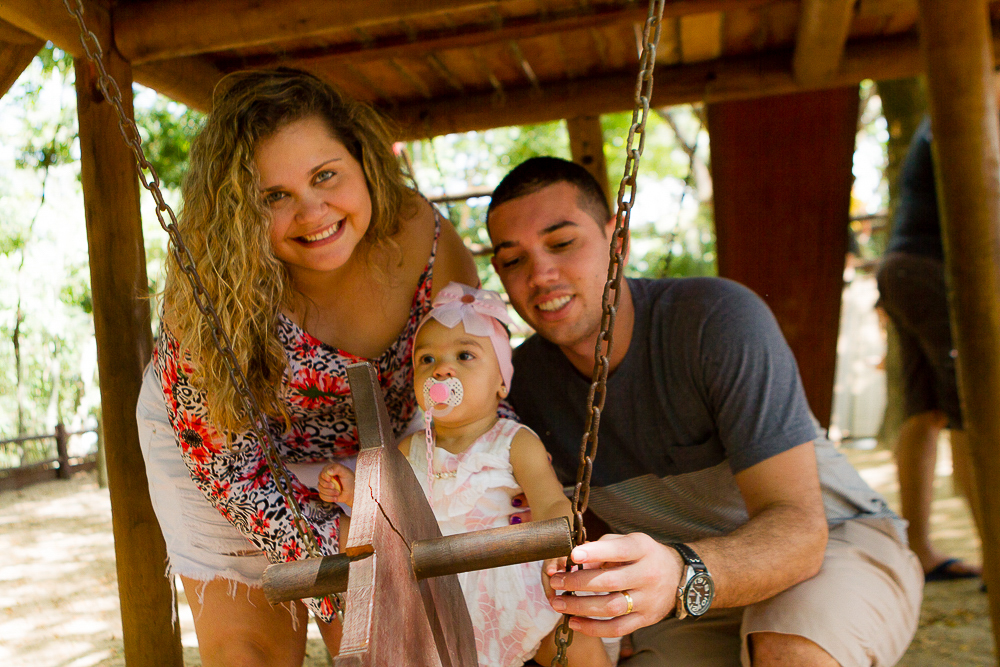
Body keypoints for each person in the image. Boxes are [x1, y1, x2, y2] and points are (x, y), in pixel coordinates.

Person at [486, 157, 924, 667]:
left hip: (831, 544)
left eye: (562, 243)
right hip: (690, 582)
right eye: (513, 261)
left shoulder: (715, 320)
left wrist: (678, 573)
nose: (540, 274)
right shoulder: (520, 386)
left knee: (790, 654)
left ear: (617, 239)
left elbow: (802, 532)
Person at [135, 69, 478, 667]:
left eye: (325, 175)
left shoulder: (423, 238)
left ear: (362, 160)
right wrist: (323, 555)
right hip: (227, 453)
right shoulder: (211, 278)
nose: (313, 211)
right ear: (239, 209)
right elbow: (230, 464)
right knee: (250, 651)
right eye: (274, 196)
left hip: (378, 450)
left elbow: (474, 387)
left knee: (387, 651)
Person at [320, 281, 615, 667]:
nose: (443, 369)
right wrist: (351, 490)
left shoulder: (513, 441)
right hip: (441, 596)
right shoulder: (409, 450)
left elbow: (550, 500)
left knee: (573, 645)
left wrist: (556, 550)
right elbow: (383, 513)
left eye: (464, 355)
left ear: (500, 382)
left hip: (515, 584)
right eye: (426, 360)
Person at [876, 115, 984, 582]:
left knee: (926, 413)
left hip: (903, 268)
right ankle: (995, 555)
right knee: (973, 410)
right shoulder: (972, 102)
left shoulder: (941, 116)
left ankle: (918, 547)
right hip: (930, 271)